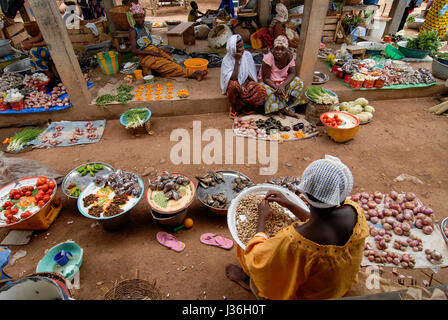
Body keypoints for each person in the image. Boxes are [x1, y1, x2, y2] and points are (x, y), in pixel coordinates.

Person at [226, 155, 369, 300]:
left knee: (248, 248)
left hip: (310, 296)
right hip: (338, 286)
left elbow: (259, 259)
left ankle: (249, 281)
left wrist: (261, 217)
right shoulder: (355, 212)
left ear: (305, 192)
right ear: (340, 195)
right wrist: (289, 204)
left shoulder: (295, 241)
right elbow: (322, 220)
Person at [128, 3, 207, 80]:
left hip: (152, 50)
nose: (139, 19)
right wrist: (151, 53)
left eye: (141, 17)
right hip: (144, 56)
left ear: (144, 17)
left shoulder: (145, 28)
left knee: (171, 60)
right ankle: (193, 74)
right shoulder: (133, 31)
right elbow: (134, 50)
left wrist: (161, 50)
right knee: (166, 64)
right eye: (137, 17)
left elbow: (150, 43)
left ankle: (193, 73)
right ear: (134, 18)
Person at [258, 35, 305, 119]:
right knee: (267, 91)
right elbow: (266, 78)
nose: (279, 52)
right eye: (277, 49)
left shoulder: (289, 57)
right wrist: (277, 88)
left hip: (282, 82)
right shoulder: (268, 57)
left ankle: (287, 108)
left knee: (299, 82)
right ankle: (278, 110)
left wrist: (282, 85)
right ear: (273, 49)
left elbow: (292, 73)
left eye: (282, 49)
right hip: (269, 82)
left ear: (286, 50)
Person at [221, 35, 266, 119]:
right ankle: (234, 107)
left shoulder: (247, 55)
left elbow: (250, 74)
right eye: (238, 45)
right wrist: (237, 61)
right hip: (235, 84)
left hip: (246, 83)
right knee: (234, 85)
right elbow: (232, 78)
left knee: (261, 89)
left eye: (241, 44)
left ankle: (246, 108)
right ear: (233, 47)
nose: (241, 48)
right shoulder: (227, 59)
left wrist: (245, 85)